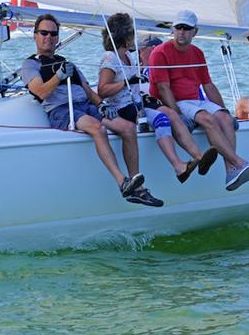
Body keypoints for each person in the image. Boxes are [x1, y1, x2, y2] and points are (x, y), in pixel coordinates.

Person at [20, 13, 157, 206]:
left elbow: (88, 91)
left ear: (58, 37)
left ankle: (137, 187)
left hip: (85, 105)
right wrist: (58, 76)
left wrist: (101, 105)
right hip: (62, 110)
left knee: (127, 128)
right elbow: (40, 92)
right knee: (97, 128)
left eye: (53, 34)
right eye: (44, 33)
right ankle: (122, 182)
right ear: (35, 35)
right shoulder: (31, 64)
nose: (48, 37)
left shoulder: (68, 63)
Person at [148, 10, 249, 191]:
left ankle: (231, 172)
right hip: (176, 102)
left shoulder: (197, 53)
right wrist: (178, 115)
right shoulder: (160, 52)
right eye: (178, 28)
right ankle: (239, 162)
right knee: (207, 119)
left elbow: (208, 85)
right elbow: (163, 88)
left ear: (194, 32)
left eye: (186, 28)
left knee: (226, 120)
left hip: (195, 101)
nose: (181, 32)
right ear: (173, 29)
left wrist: (223, 109)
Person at [97, 13, 215, 190]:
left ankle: (199, 157)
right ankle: (178, 166)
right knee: (162, 119)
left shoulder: (128, 56)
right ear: (125, 34)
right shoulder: (110, 57)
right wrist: (127, 82)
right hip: (121, 107)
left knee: (172, 114)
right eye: (132, 31)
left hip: (136, 102)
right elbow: (102, 90)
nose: (134, 36)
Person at [135, 33, 219, 182]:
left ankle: (197, 158)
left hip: (161, 106)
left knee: (170, 115)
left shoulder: (152, 69)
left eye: (141, 50)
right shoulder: (141, 70)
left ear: (152, 49)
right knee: (170, 115)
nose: (138, 55)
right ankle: (199, 157)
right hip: (163, 107)